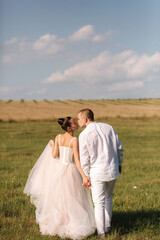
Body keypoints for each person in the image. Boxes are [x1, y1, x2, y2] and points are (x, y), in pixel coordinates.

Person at [24, 116, 96, 239]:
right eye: (74, 123)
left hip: (58, 170)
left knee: (59, 198)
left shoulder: (58, 137)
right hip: (71, 171)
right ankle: (71, 223)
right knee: (73, 197)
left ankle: (57, 223)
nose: (76, 124)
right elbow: (77, 161)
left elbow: (54, 155)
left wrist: (52, 145)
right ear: (69, 128)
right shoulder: (74, 140)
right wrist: (84, 176)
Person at [78, 109, 123, 238]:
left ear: (85, 119)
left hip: (97, 172)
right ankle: (107, 227)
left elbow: (84, 158)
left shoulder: (84, 134)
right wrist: (119, 164)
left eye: (79, 119)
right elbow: (119, 148)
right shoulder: (108, 127)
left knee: (98, 203)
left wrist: (85, 176)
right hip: (112, 169)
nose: (78, 121)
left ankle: (101, 233)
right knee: (109, 197)